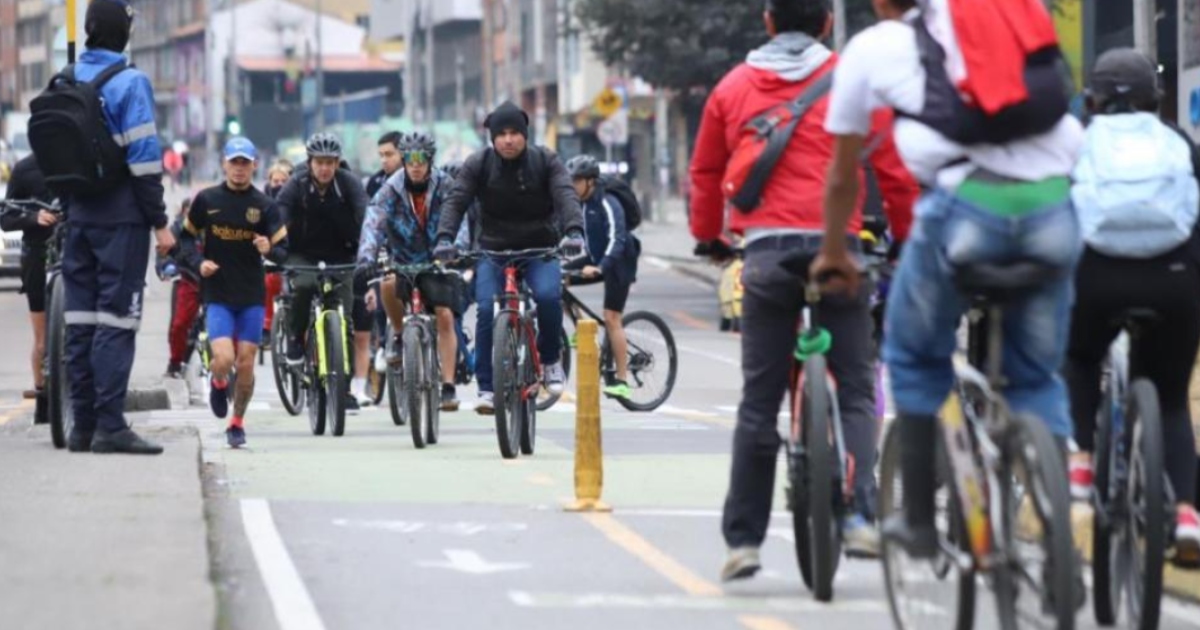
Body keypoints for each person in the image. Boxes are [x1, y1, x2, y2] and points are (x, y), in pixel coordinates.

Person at [813, 0, 1084, 559]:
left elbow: (842, 174)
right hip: (1054, 209)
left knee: (912, 354)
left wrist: (835, 251)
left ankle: (917, 522)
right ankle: (1057, 530)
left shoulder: (875, 47)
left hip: (965, 211)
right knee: (1037, 376)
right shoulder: (1013, 15)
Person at [688, 0, 919, 577]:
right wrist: (908, 238)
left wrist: (708, 237)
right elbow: (893, 169)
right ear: (825, 24)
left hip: (765, 257)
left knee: (759, 401)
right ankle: (862, 516)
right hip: (836, 253)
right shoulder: (852, 80)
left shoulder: (732, 87)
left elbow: (706, 174)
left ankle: (743, 541)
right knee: (860, 389)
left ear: (767, 22)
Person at [1062, 48, 1200, 563]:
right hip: (1174, 280)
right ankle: (1188, 513)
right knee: (1167, 399)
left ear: (1092, 100)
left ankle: (1080, 458)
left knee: (1077, 359)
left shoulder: (1076, 144)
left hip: (1096, 276)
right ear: (1155, 99)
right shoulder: (1179, 144)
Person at [61, 0, 175, 455]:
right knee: (115, 320)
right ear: (122, 32)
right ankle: (111, 425)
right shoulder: (131, 83)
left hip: (78, 219)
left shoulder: (66, 78)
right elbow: (145, 163)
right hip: (120, 221)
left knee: (81, 322)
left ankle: (81, 426)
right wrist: (161, 224)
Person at [435, 101, 585, 413]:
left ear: (525, 135)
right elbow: (456, 200)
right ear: (492, 138)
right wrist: (445, 238)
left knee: (546, 296)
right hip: (494, 249)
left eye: (514, 132)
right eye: (501, 133)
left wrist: (574, 231)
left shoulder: (546, 160)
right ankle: (486, 388)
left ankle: (550, 360)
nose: (508, 139)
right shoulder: (479, 163)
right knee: (486, 310)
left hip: (540, 248)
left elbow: (566, 194)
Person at [177, 137, 288, 447]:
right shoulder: (206, 200)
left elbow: (283, 251)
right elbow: (184, 239)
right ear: (224, 164)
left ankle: (237, 423)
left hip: (252, 293)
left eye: (245, 163)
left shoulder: (265, 206)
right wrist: (199, 263)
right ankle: (218, 379)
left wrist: (269, 249)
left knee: (247, 363)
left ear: (254, 166)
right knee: (224, 358)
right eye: (234, 162)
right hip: (218, 292)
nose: (239, 169)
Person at [358, 131, 462, 410]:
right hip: (402, 258)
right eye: (410, 159)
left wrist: (457, 248)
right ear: (403, 160)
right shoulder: (391, 188)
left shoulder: (445, 185)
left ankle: (449, 386)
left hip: (436, 259)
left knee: (444, 315)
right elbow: (374, 220)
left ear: (430, 160)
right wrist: (367, 255)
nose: (415, 165)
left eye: (421, 159)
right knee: (387, 283)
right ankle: (399, 334)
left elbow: (459, 217)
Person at [275, 133, 368, 411]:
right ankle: (295, 340)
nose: (325, 168)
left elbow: (367, 216)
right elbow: (278, 214)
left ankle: (345, 388)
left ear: (338, 163)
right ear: (310, 162)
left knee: (345, 320)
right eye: (319, 162)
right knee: (302, 287)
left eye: (330, 162)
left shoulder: (349, 184)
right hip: (303, 254)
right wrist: (274, 246)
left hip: (342, 256)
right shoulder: (297, 184)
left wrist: (371, 249)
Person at [563, 155, 641, 400]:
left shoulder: (608, 202)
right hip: (597, 257)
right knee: (556, 279)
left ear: (590, 181)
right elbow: (568, 233)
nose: (573, 186)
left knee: (611, 318)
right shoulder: (581, 205)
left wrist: (601, 267)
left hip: (619, 260)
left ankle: (621, 380)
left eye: (577, 181)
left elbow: (617, 239)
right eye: (571, 181)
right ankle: (581, 328)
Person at [2, 155, 57, 403]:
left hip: (74, 254)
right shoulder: (24, 169)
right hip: (37, 254)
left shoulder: (75, 159)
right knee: (42, 340)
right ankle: (42, 394)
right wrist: (34, 218)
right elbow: (5, 218)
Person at [158, 198, 202, 378]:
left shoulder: (215, 227)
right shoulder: (176, 230)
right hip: (187, 279)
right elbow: (163, 253)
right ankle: (175, 362)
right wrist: (166, 267)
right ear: (183, 211)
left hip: (215, 281)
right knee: (179, 325)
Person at [262, 159, 293, 340]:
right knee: (270, 281)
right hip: (270, 252)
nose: (279, 185)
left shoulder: (296, 201)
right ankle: (267, 324)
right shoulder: (262, 203)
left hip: (291, 252)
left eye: (284, 182)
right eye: (276, 181)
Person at [366, 131, 403, 199]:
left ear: (402, 154)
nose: (384, 160)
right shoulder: (374, 183)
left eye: (389, 154)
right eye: (381, 155)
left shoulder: (415, 180)